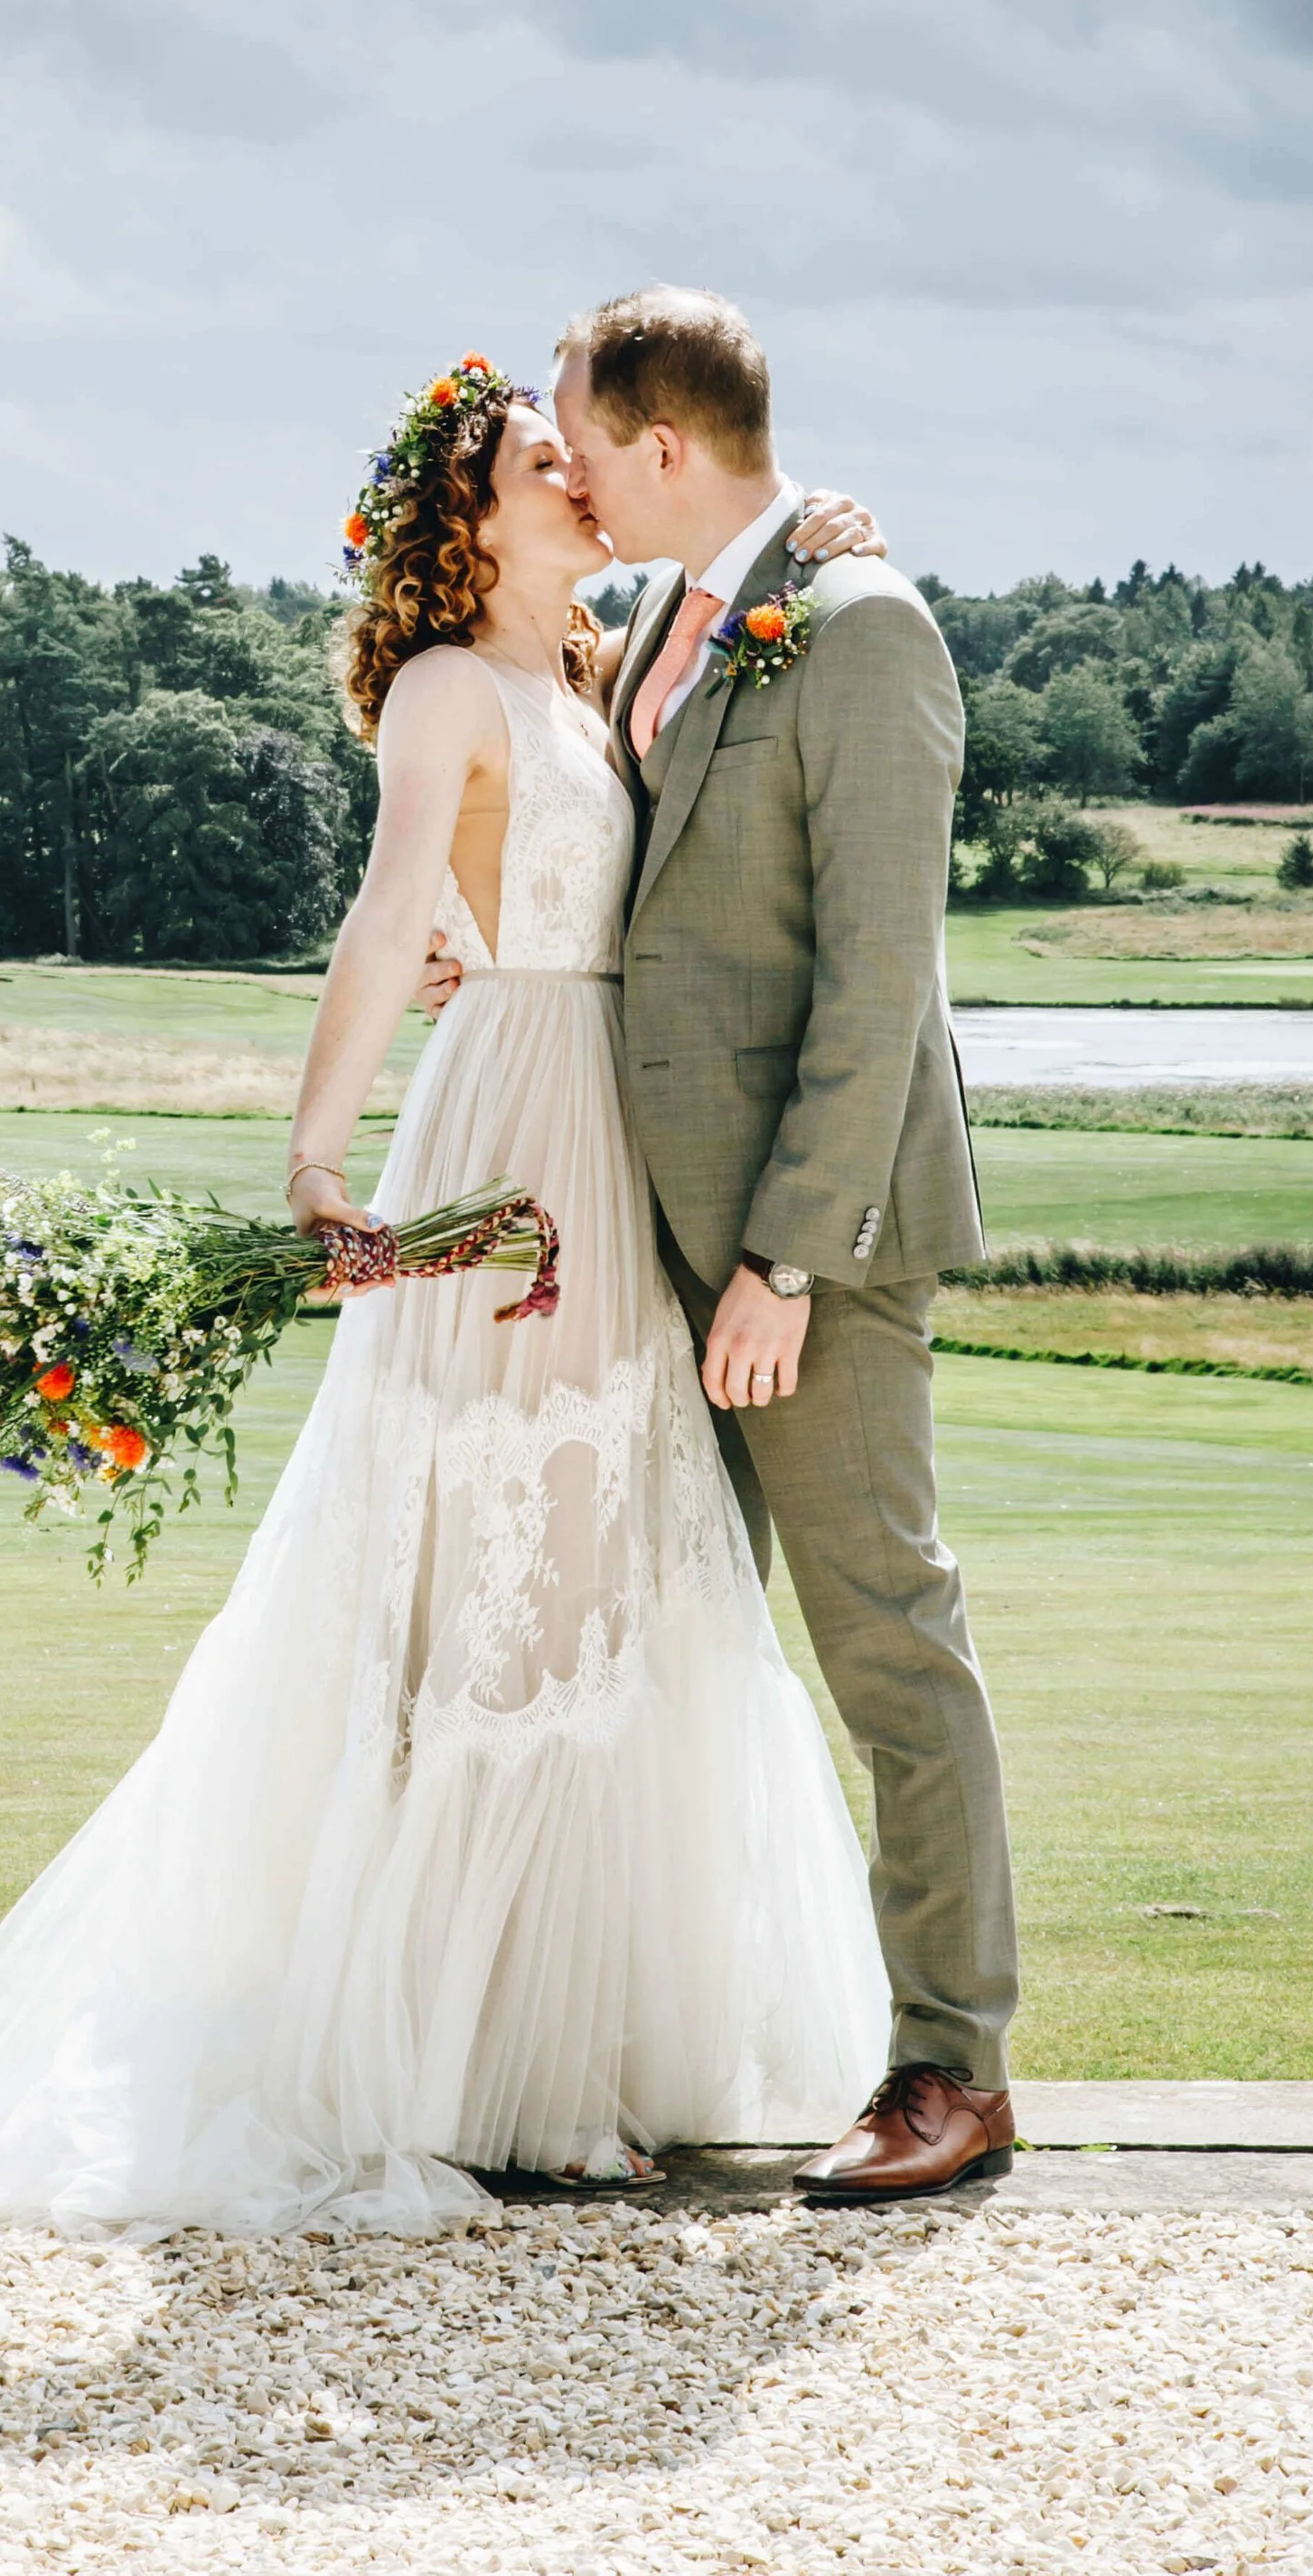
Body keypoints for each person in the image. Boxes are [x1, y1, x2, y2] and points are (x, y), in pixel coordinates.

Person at [0, 343, 900, 2239]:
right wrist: (316, 1160)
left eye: (574, 452)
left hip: (613, 1137)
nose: (573, 475)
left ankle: (602, 2045)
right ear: (466, 516)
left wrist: (819, 545)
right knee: (491, 1569)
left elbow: (732, 597)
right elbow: (393, 912)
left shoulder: (601, 671)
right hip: (503, 1143)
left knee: (608, 1565)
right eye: (532, 459)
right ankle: (481, 2068)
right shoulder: (444, 689)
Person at [420, 287, 1017, 2206]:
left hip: (796, 1249)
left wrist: (781, 1261)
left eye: (581, 444)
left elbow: (874, 981)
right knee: (652, 1644)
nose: (569, 477)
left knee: (882, 1639)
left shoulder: (860, 630)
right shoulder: (649, 630)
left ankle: (950, 2069)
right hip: (627, 1228)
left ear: (659, 447)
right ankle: (621, 2046)